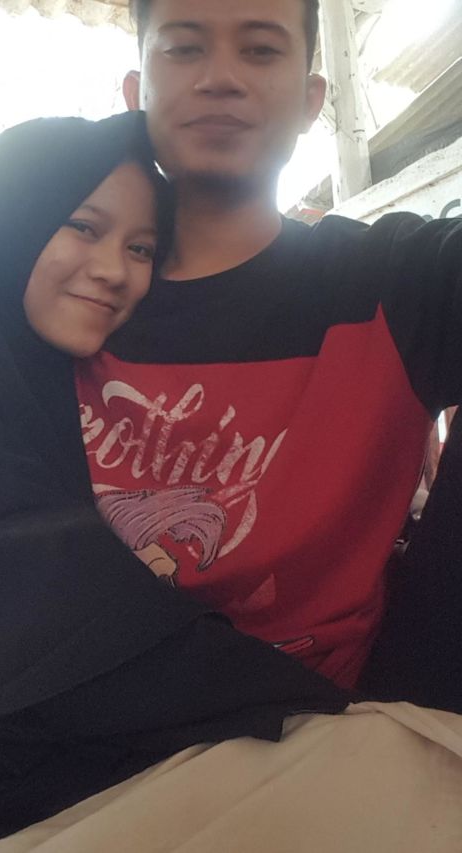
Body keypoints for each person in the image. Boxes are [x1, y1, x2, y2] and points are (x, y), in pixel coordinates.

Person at [0, 112, 346, 849]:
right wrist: (306, 700)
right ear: (11, 221)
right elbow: (51, 611)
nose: (114, 270)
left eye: (140, 248)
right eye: (83, 227)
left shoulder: (20, 372)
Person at [74, 0, 462, 709]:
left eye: (259, 50)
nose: (220, 77)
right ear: (135, 93)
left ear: (312, 100)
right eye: (184, 48)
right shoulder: (71, 292)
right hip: (78, 721)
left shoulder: (394, 284)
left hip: (317, 728)